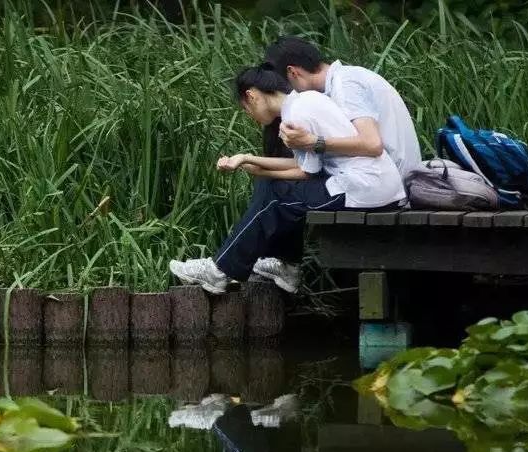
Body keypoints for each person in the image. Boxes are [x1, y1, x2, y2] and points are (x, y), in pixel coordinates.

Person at [169, 65, 405, 295]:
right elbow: (303, 168)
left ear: (251, 96)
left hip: (363, 189)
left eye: (245, 109)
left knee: (278, 196)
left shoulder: (295, 117)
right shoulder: (304, 102)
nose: (249, 116)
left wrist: (257, 168)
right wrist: (248, 161)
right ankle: (285, 266)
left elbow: (304, 174)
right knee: (274, 189)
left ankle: (220, 270)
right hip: (374, 186)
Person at [264, 37, 422, 182]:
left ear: (293, 72)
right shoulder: (341, 80)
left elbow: (372, 144)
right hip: (386, 177)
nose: (293, 93)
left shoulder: (346, 84)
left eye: (287, 85)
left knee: (280, 192)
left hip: (394, 181)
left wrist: (312, 142)